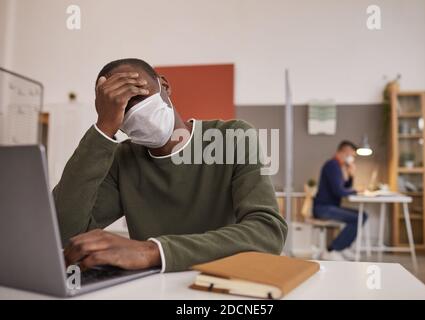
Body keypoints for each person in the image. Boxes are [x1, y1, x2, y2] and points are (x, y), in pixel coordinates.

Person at [53, 58, 287, 272]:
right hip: (156, 290)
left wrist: (154, 251)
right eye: (120, 106)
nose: (134, 110)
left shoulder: (232, 137)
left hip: (222, 282)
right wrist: (103, 128)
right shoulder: (121, 159)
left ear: (164, 85)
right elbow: (63, 233)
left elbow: (267, 232)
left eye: (137, 93)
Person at [313, 140, 367, 261]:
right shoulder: (332, 165)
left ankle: (341, 248)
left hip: (329, 207)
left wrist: (351, 175)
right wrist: (357, 191)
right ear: (345, 152)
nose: (352, 158)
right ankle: (333, 249)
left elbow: (345, 188)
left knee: (362, 215)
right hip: (323, 208)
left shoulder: (337, 166)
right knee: (360, 217)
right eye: (352, 155)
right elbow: (340, 192)